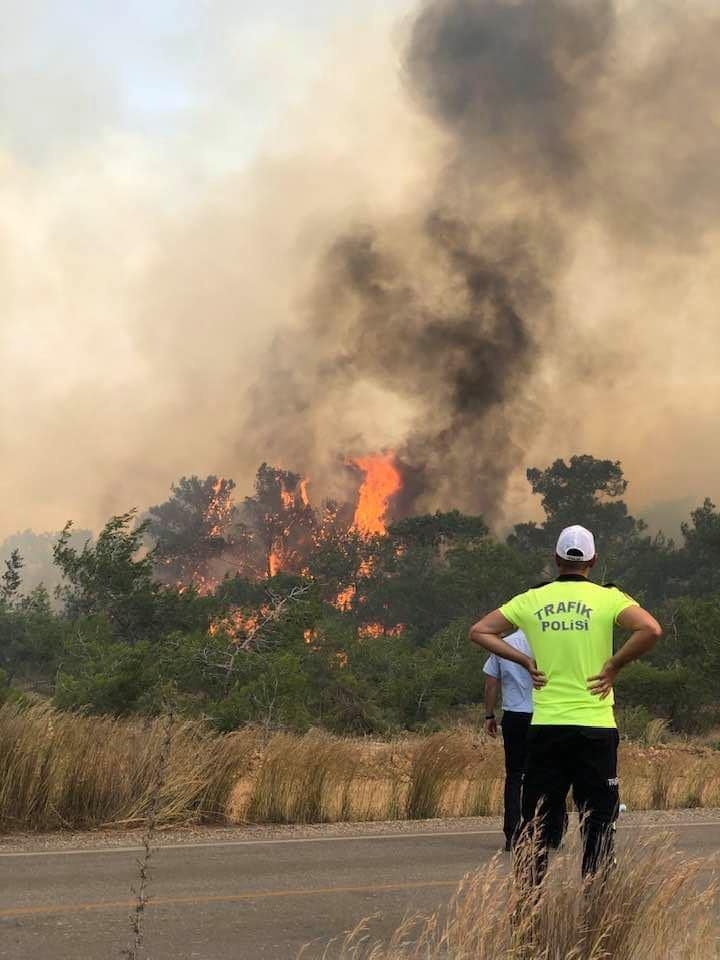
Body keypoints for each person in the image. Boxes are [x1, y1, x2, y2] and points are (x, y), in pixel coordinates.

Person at [470, 524, 662, 882]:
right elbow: (650, 629)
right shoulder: (609, 598)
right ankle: (596, 909)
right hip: (595, 728)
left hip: (546, 728)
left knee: (538, 824)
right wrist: (614, 665)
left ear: (556, 559)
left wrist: (523, 660)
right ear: (593, 560)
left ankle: (528, 910)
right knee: (599, 825)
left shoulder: (531, 599)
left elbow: (479, 630)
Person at [484, 629, 568, 853]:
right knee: (553, 773)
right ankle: (553, 833)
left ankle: (512, 833)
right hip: (546, 715)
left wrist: (489, 715)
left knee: (514, 775)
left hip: (514, 715)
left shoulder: (503, 644)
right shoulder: (550, 641)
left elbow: (491, 683)